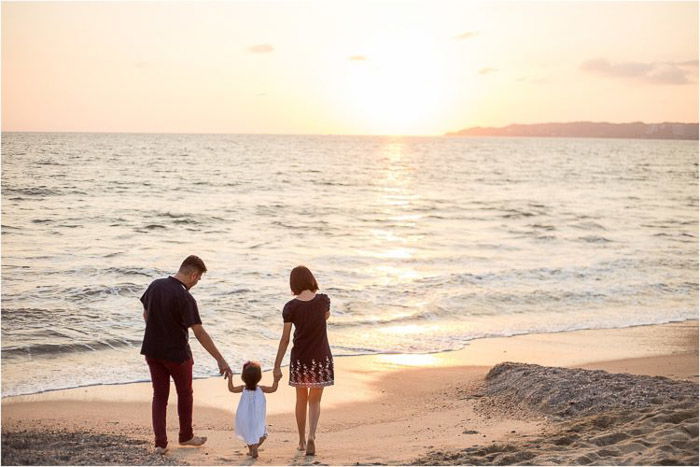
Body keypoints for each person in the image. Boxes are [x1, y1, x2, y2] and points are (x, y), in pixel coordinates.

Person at [140, 255, 232, 454]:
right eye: (198, 279)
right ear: (193, 275)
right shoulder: (185, 297)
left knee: (159, 396)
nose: (197, 283)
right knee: (185, 394)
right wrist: (220, 359)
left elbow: (146, 313)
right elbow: (199, 332)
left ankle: (160, 444)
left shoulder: (155, 285)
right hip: (177, 355)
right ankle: (186, 436)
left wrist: (156, 330)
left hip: (152, 350)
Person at [273, 265, 333, 456]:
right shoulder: (323, 301)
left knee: (301, 400)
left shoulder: (290, 307)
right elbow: (325, 318)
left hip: (300, 358)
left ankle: (300, 441)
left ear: (293, 283)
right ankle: (312, 436)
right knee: (315, 401)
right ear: (310, 279)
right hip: (321, 357)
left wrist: (276, 366)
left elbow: (285, 339)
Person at [227, 361, 280, 458]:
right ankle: (254, 447)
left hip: (244, 416)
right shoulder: (261, 389)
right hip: (258, 417)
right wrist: (276, 380)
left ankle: (251, 449)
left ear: (243, 377)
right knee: (262, 434)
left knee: (247, 433)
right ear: (259, 377)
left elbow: (231, 389)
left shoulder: (243, 388)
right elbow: (273, 389)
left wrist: (230, 379)